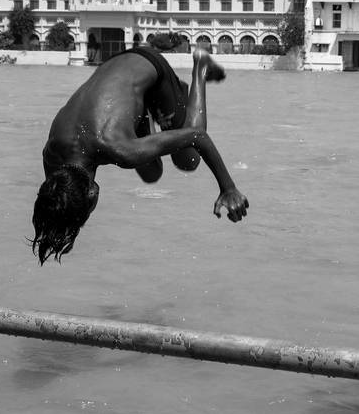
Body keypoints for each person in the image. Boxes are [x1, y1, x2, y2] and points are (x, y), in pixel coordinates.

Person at [31, 45, 249, 264]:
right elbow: (56, 199)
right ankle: (151, 106)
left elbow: (198, 136)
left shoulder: (119, 149)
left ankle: (200, 67)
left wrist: (228, 188)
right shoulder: (53, 154)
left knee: (187, 160)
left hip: (149, 64)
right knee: (151, 173)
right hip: (116, 65)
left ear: (92, 194)